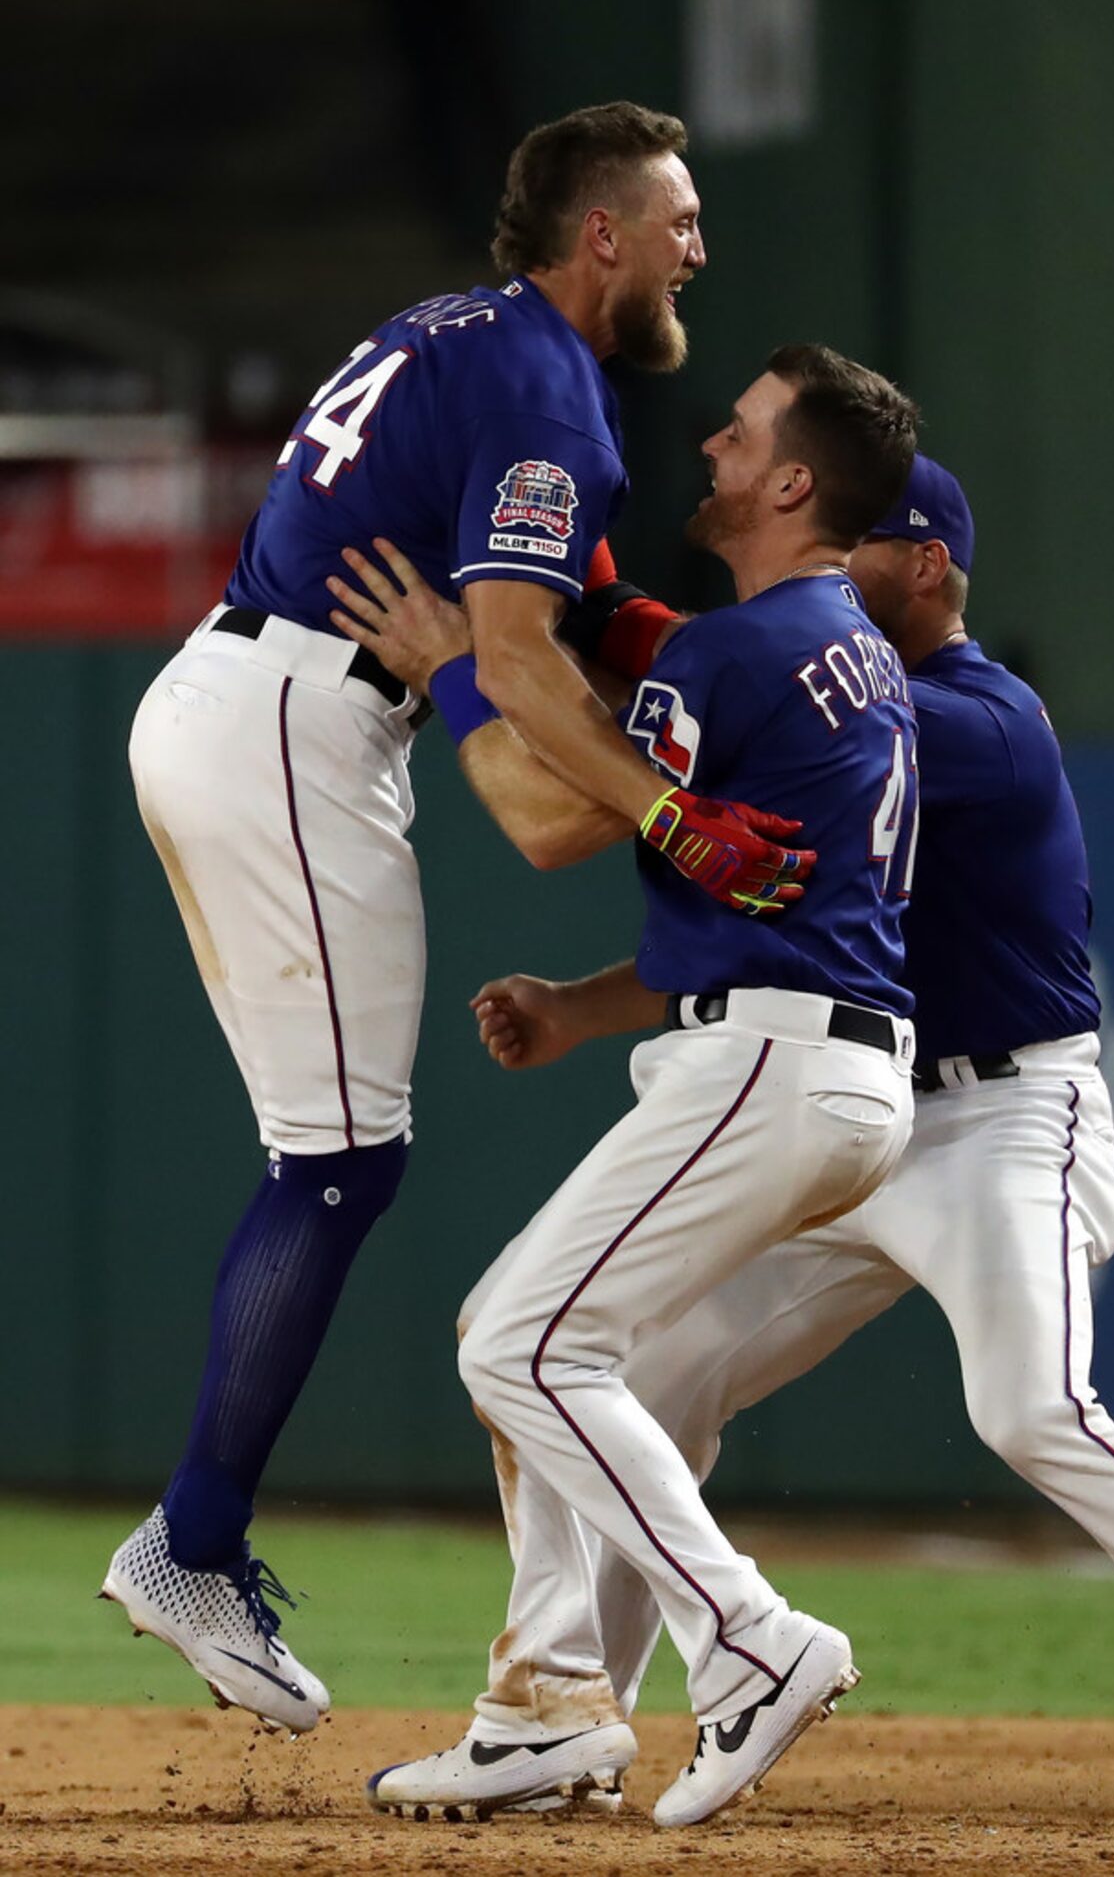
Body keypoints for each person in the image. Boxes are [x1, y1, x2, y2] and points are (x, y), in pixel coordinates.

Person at [349, 453, 1114, 1829]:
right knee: (633, 1376)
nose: (836, 571)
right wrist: (584, 1006)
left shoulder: (970, 714)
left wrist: (504, 653)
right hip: (856, 1108)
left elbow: (648, 765)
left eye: (867, 548)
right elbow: (777, 899)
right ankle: (559, 1713)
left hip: (1007, 1114)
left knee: (1031, 1406)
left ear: (930, 564)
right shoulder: (843, 686)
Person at [102, 101, 811, 1738]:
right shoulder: (548, 384)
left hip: (256, 705)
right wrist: (669, 815)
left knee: (340, 1154)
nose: (699, 242)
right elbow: (508, 635)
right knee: (341, 1160)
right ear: (602, 239)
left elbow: (561, 608)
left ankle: (196, 1538)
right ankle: (192, 1543)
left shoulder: (468, 333)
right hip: (292, 725)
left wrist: (624, 650)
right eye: (678, 217)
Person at [334, 344, 922, 1827]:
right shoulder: (840, 645)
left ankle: (750, 1638)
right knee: (571, 1353)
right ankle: (541, 1700)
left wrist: (454, 668)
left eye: (742, 436)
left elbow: (547, 822)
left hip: (768, 1063)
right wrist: (583, 1005)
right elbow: (724, 857)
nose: (714, 446)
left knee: (517, 1348)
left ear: (794, 482)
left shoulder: (737, 652)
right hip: (828, 1061)